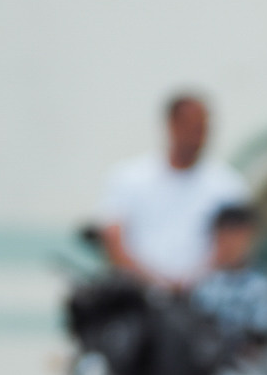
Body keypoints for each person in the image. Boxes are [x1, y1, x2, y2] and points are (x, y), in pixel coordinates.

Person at [99, 92, 251, 289]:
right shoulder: (128, 177)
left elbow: (236, 244)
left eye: (202, 128)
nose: (198, 136)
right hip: (138, 297)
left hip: (205, 298)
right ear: (171, 125)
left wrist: (190, 283)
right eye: (191, 127)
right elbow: (113, 239)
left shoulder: (229, 184)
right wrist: (156, 283)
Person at [189, 202, 267, 344]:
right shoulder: (201, 280)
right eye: (225, 236)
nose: (232, 244)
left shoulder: (261, 280)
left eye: (239, 236)